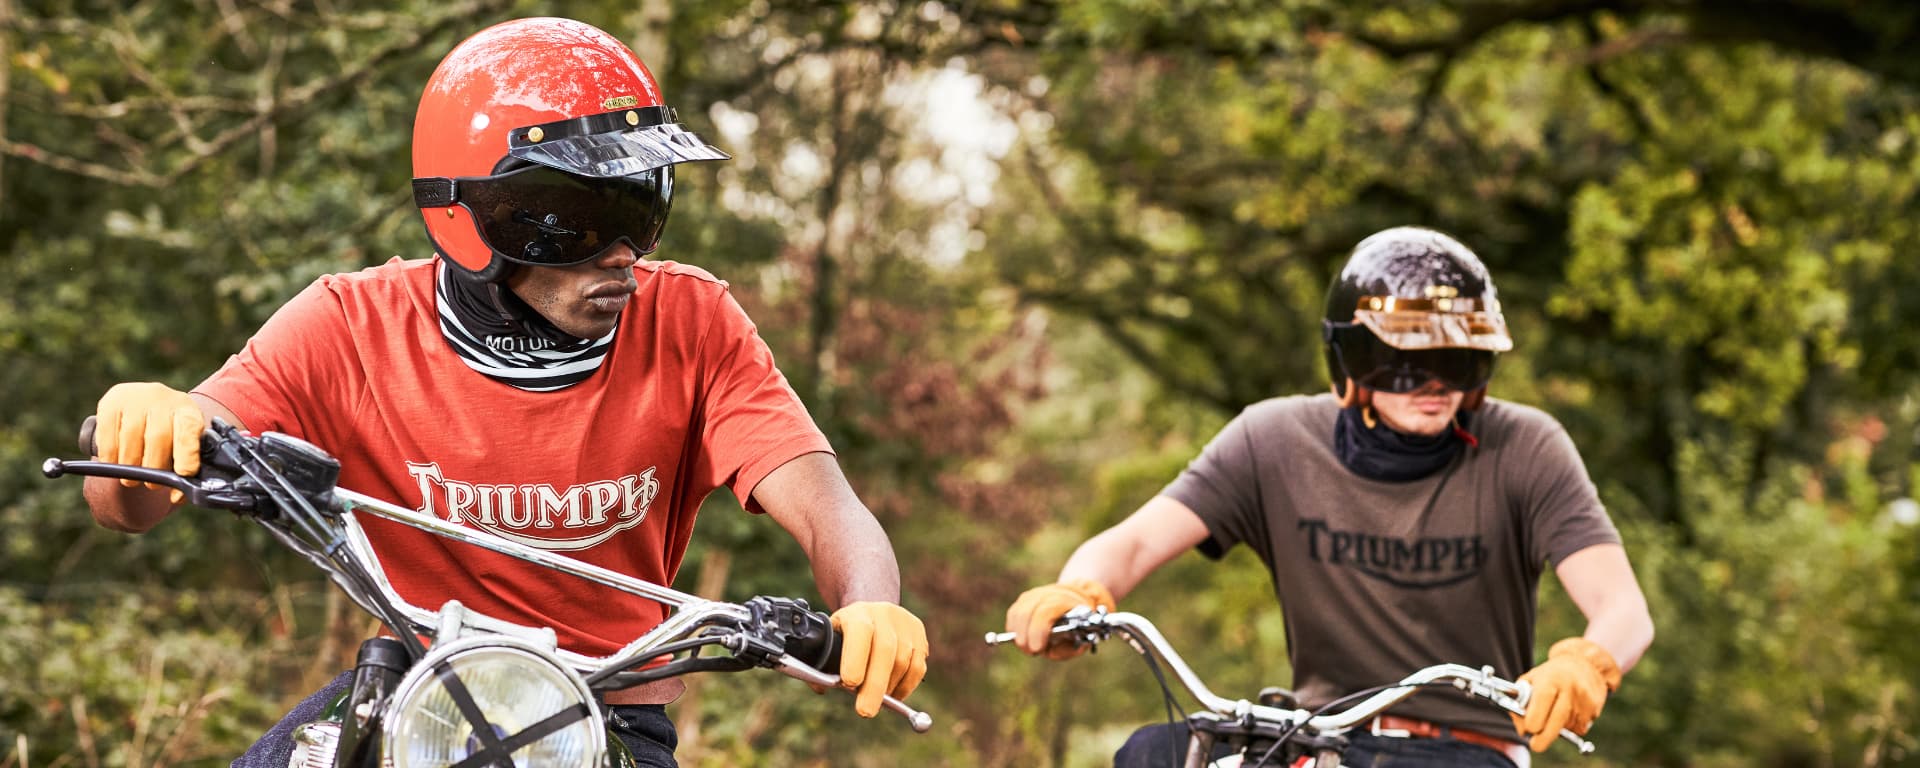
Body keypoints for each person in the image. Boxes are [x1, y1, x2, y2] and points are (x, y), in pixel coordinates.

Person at [81, 17, 928, 767]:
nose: (622, 254)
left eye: (643, 206)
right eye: (573, 217)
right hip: (411, 687)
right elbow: (135, 503)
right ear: (468, 215)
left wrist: (870, 605)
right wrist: (152, 430)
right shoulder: (351, 324)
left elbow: (826, 506)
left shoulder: (693, 322)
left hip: (614, 714)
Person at [1003, 227, 1654, 768]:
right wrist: (1080, 591)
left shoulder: (1526, 448)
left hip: (1467, 747)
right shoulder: (1275, 440)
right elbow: (1138, 540)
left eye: (1457, 363)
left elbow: (1623, 608)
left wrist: (1585, 666)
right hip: (1323, 735)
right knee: (1155, 754)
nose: (1433, 385)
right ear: (1351, 363)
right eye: (1405, 363)